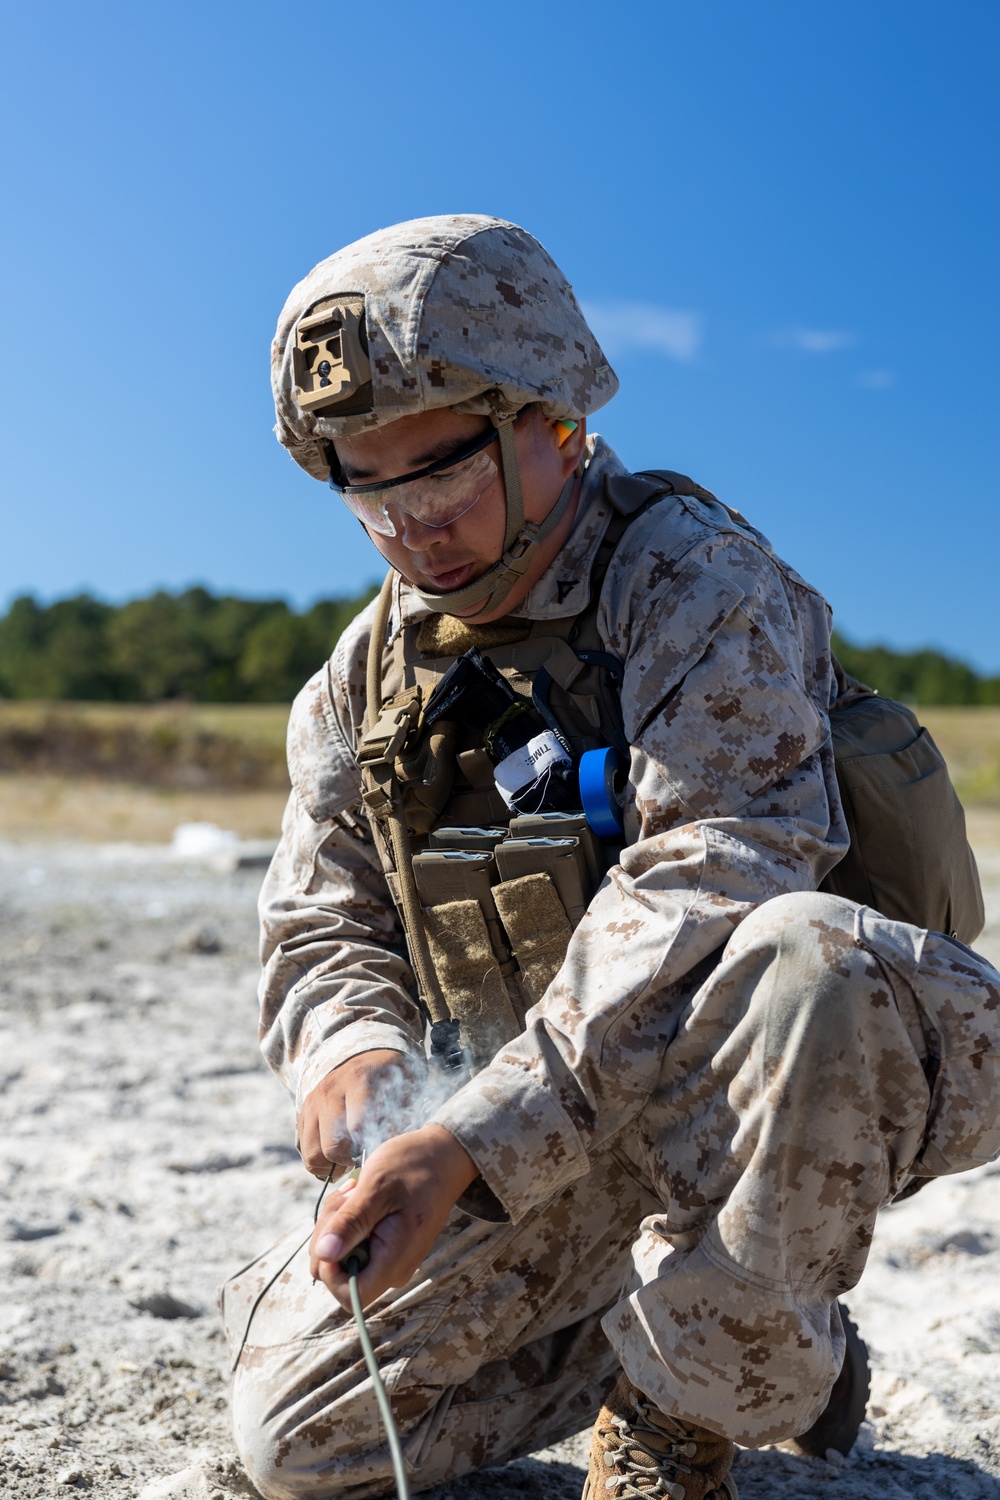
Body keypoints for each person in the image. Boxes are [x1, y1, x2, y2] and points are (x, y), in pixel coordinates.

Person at [221, 214, 1000, 1500]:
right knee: (298, 1441)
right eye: (365, 490)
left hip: (802, 1078)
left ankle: (676, 1406)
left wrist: (470, 1141)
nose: (409, 531)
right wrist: (355, 1053)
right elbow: (323, 920)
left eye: (440, 477)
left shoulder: (697, 586)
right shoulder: (360, 683)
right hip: (553, 1123)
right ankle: (752, 1332)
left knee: (802, 960)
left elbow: (716, 876)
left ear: (554, 421)